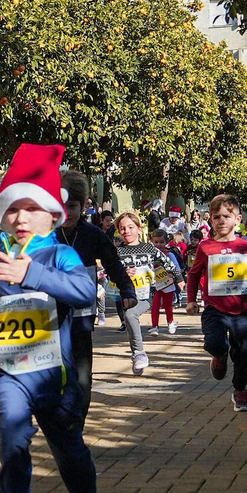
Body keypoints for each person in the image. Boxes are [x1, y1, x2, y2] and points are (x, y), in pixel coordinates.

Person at [0, 143, 103, 493]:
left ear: (53, 213)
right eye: (12, 209)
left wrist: (33, 273)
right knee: (10, 427)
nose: (21, 217)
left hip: (54, 375)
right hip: (7, 370)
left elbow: (84, 293)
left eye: (32, 208)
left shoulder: (61, 254)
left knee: (69, 449)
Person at [57, 169, 142, 395]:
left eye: (72, 207)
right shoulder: (45, 235)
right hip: (49, 316)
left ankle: (79, 416)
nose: (66, 213)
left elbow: (113, 263)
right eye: (60, 206)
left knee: (82, 377)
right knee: (57, 375)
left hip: (82, 314)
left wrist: (127, 290)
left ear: (84, 205)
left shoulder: (92, 234)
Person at [186, 194, 247, 412]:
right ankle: (219, 355)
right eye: (216, 217)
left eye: (226, 216)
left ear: (237, 219)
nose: (221, 221)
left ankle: (240, 390)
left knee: (242, 353)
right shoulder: (205, 247)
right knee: (214, 343)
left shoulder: (244, 247)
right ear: (210, 220)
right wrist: (191, 300)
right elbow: (193, 275)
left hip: (241, 310)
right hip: (214, 308)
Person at [110, 212, 165, 371]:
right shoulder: (118, 252)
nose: (126, 231)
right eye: (122, 228)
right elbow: (110, 273)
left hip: (147, 294)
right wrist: (122, 275)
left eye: (130, 227)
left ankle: (139, 352)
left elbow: (165, 261)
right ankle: (137, 355)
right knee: (129, 319)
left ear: (139, 229)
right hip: (127, 294)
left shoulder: (148, 248)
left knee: (130, 315)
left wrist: (178, 279)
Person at [148, 226, 185, 336]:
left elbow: (176, 268)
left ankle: (171, 322)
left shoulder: (170, 255)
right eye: (156, 242)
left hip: (168, 284)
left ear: (166, 242)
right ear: (152, 242)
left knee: (167, 305)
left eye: (161, 242)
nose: (159, 244)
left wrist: (173, 274)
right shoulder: (150, 256)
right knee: (155, 305)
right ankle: (154, 326)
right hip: (156, 284)